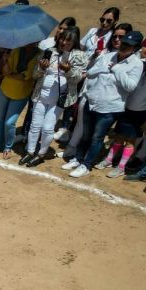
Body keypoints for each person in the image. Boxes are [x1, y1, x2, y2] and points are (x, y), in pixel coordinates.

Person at [63, 31, 144, 178]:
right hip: (91, 101)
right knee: (86, 135)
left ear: (136, 48)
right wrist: (104, 69)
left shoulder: (136, 64)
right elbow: (90, 72)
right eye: (123, 42)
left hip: (110, 108)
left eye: (128, 45)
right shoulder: (108, 56)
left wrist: (116, 69)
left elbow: (130, 86)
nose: (123, 46)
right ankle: (78, 158)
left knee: (97, 137)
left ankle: (86, 165)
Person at [19, 27, 85, 168]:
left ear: (74, 42)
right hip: (41, 94)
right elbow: (36, 75)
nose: (64, 42)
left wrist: (68, 71)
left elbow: (77, 79)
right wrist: (42, 68)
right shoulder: (49, 52)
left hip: (59, 99)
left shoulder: (79, 55)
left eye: (69, 40)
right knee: (35, 125)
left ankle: (41, 154)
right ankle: (30, 152)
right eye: (63, 38)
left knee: (48, 128)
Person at [0, 44, 38, 159]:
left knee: (9, 122)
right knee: (0, 118)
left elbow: (26, 76)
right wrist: (6, 61)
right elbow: (6, 72)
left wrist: (11, 74)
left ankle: (8, 147)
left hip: (21, 94)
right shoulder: (16, 50)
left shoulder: (40, 55)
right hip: (4, 89)